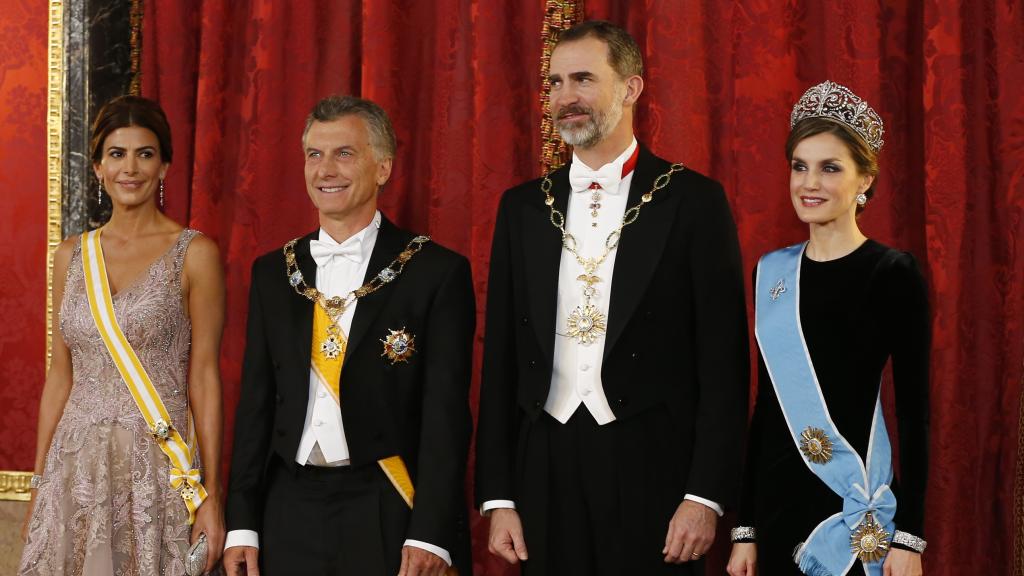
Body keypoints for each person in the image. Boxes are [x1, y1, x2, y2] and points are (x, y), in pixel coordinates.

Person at [475, 20, 750, 575]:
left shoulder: (693, 201)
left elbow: (724, 365)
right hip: (544, 464)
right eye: (554, 83)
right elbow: (501, 354)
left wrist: (704, 496)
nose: (564, 97)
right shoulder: (522, 207)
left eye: (583, 79)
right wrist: (499, 496)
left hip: (654, 465)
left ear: (631, 88)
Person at [222, 95, 474, 576]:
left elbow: (446, 416)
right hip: (286, 505)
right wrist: (243, 524)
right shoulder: (274, 273)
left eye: (344, 153)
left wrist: (430, 533)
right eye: (314, 154)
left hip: (385, 500)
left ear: (382, 168)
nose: (325, 170)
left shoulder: (434, 272)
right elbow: (255, 404)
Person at [726, 81, 929, 576]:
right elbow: (767, 407)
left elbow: (914, 413)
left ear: (865, 180)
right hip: (777, 511)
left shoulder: (892, 272)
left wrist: (910, 537)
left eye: (829, 167)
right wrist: (745, 528)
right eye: (799, 166)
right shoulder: (771, 272)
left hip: (850, 506)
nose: (808, 182)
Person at [19, 95, 226, 575]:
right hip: (75, 470)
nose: (130, 168)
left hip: (156, 471)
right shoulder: (70, 256)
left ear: (165, 165)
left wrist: (212, 495)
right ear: (97, 168)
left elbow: (205, 378)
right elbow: (59, 376)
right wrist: (39, 484)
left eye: (145, 153)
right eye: (116, 154)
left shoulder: (194, 254)